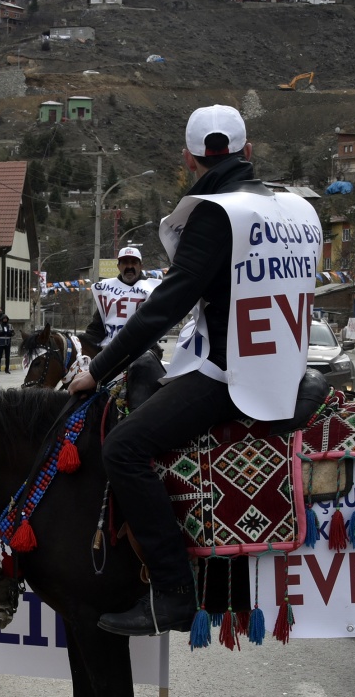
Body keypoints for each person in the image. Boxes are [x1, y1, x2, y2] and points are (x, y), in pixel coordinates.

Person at [67, 104, 319, 635]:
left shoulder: (217, 213)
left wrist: (100, 368)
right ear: (248, 153)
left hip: (235, 377)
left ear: (189, 159)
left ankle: (174, 593)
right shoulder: (298, 208)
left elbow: (164, 308)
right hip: (292, 368)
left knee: (124, 447)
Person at [82, 245, 154, 350]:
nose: (129, 267)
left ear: (141, 266)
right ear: (118, 266)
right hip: (108, 351)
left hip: (139, 351)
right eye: (125, 262)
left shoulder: (152, 290)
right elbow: (97, 329)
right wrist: (81, 343)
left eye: (134, 262)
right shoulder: (107, 289)